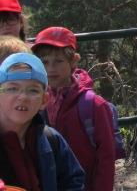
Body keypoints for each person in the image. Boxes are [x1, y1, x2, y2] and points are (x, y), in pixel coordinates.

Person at [32, 26, 116, 191]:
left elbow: (106, 158)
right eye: (44, 61)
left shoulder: (94, 105)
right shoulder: (37, 101)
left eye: (58, 61)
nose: (50, 68)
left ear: (73, 62)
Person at [0, 52, 84, 190]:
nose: (23, 97)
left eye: (33, 90)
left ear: (44, 100)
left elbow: (73, 181)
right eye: (12, 89)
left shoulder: (52, 140)